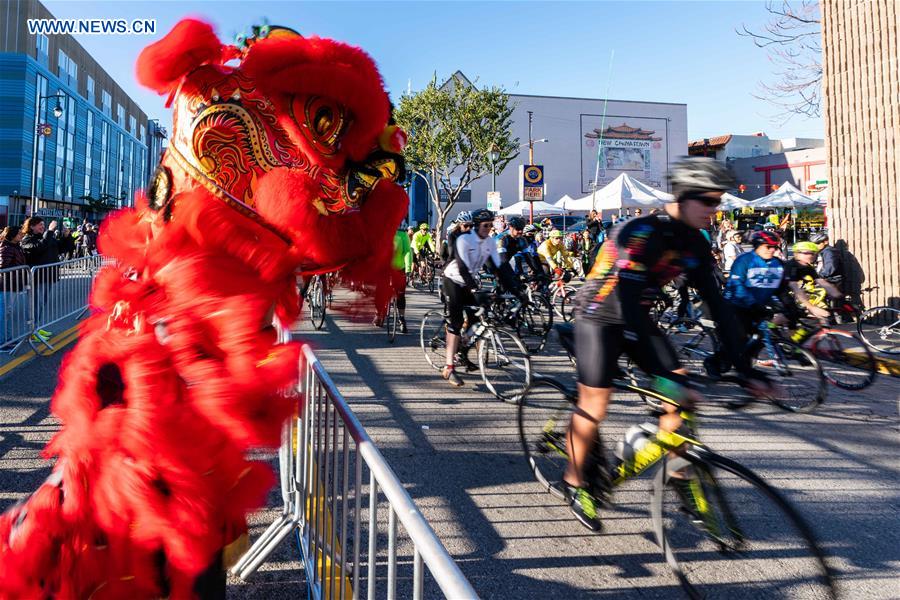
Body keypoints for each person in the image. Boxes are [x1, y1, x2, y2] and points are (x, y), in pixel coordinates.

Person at [567, 157, 767, 531]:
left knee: (681, 402)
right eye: (708, 201)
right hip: (599, 316)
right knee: (595, 404)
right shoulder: (641, 233)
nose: (715, 209)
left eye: (718, 201)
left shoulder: (694, 241)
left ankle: (678, 474)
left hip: (638, 318)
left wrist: (745, 369)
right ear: (683, 197)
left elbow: (717, 305)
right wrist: (667, 376)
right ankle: (576, 482)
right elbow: (627, 302)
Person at [440, 209, 520, 387]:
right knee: (456, 322)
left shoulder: (489, 242)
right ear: (476, 226)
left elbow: (498, 267)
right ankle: (449, 367)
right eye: (486, 225)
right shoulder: (464, 240)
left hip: (469, 282)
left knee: (477, 318)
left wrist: (516, 290)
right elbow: (462, 268)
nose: (489, 228)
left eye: (491, 225)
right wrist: (475, 289)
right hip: (453, 279)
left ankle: (462, 349)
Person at [784, 241, 841, 321]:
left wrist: (839, 296)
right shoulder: (791, 267)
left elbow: (821, 282)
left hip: (788, 294)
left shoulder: (808, 267)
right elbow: (795, 288)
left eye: (814, 253)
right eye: (808, 253)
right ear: (796, 254)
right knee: (784, 317)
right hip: (777, 293)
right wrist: (811, 307)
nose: (812, 256)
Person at [374, 227, 412, 332]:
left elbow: (407, 252)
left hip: (398, 269)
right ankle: (379, 314)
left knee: (400, 295)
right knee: (380, 292)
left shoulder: (402, 234)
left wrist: (408, 268)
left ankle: (401, 318)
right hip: (384, 268)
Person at [0, 226, 28, 345]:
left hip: (13, 284)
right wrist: (19, 270)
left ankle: (8, 339)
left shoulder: (15, 246)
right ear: (12, 235)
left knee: (8, 313)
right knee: (4, 313)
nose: (21, 234)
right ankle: (2, 341)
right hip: (7, 285)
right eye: (19, 233)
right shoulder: (7, 248)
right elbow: (2, 266)